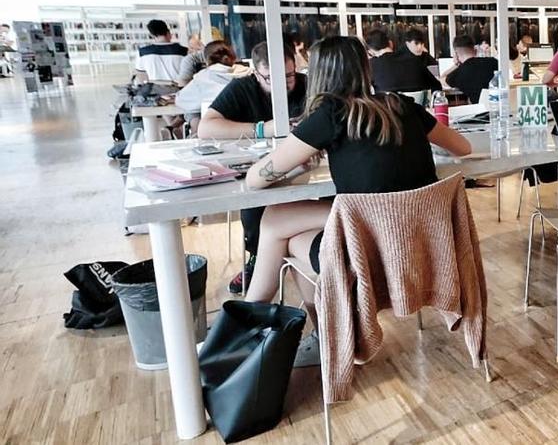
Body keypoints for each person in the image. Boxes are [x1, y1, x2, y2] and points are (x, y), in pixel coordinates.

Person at [242, 36, 471, 364]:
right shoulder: (402, 105)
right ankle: (282, 324)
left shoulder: (329, 114)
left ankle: (258, 320)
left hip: (371, 255)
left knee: (278, 224)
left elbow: (255, 179)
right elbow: (464, 148)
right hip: (420, 249)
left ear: (318, 75)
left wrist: (300, 153)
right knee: (283, 226)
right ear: (366, 67)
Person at [198, 40, 308, 294]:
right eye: (270, 78)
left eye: (289, 76)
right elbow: (206, 127)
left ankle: (314, 255)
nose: (282, 84)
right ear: (256, 72)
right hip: (261, 168)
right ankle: (258, 256)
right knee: (255, 197)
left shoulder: (306, 85)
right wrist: (261, 129)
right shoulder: (242, 88)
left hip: (305, 168)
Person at [174, 40, 241, 119]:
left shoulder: (202, 78)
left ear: (207, 60)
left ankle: (193, 130)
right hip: (244, 125)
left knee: (193, 111)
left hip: (214, 127)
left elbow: (181, 101)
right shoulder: (247, 74)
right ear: (233, 56)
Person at [365, 28, 441, 95]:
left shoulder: (371, 66)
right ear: (390, 43)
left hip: (387, 110)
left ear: (371, 51)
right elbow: (437, 87)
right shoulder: (415, 61)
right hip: (416, 109)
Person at [445, 34, 499, 103]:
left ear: (456, 53)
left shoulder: (459, 72)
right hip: (499, 106)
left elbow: (443, 79)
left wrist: (456, 65)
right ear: (475, 49)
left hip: (478, 110)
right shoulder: (494, 62)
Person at [134, 19, 189, 83]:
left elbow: (142, 77)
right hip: (179, 90)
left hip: (155, 90)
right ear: (168, 33)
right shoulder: (184, 51)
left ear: (152, 35)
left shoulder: (142, 53)